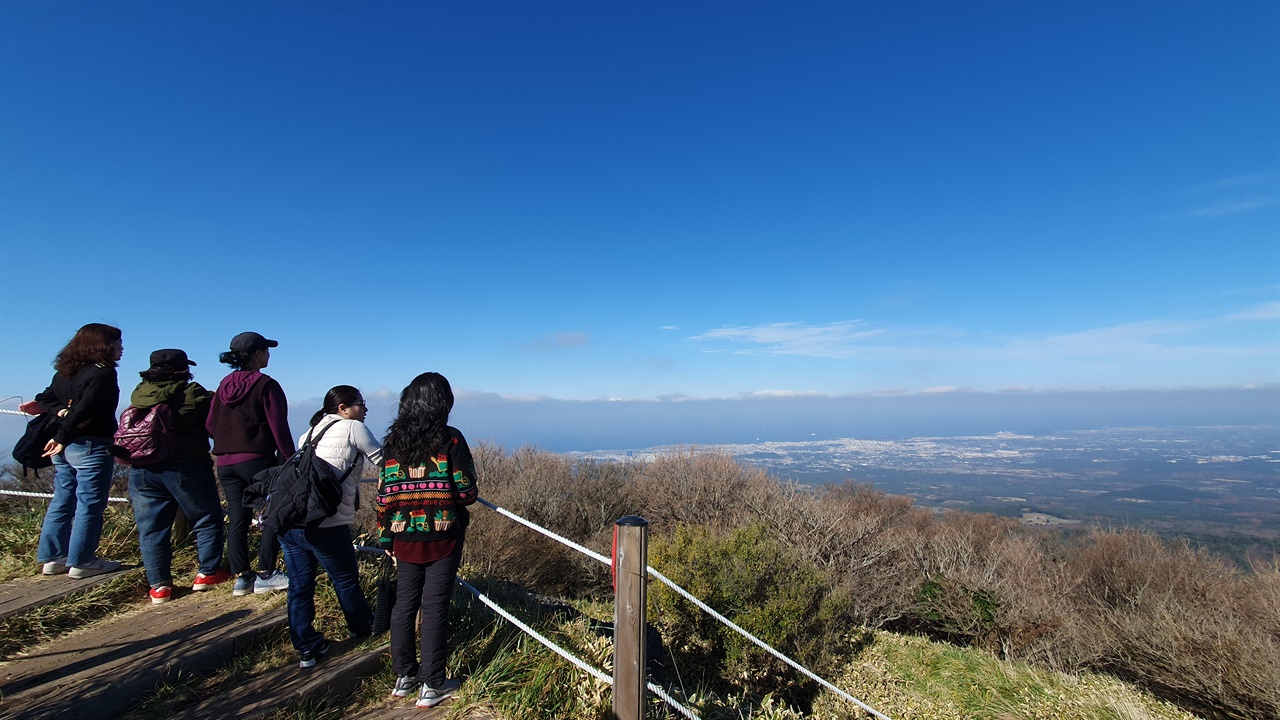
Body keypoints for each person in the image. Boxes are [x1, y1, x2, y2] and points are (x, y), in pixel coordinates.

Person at [377, 372, 478, 708]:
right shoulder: (450, 440)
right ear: (443, 403)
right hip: (443, 534)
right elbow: (466, 492)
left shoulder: (393, 443)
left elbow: (384, 495)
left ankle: (404, 676)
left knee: (404, 604)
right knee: (434, 607)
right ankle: (433, 684)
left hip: (403, 536)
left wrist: (385, 536)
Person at [277, 385, 380, 668]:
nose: (365, 409)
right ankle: (362, 627)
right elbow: (386, 463)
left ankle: (307, 648)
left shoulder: (307, 434)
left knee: (299, 585)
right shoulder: (352, 428)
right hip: (326, 523)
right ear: (343, 409)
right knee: (345, 578)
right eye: (360, 403)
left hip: (291, 522)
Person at [125, 349, 231, 603]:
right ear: (183, 369)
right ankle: (208, 572)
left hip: (141, 468)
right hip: (185, 465)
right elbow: (215, 416)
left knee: (151, 528)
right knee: (206, 516)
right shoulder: (192, 393)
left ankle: (159, 586)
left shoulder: (139, 393)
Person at [206, 331, 295, 596]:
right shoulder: (266, 385)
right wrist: (290, 459)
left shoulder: (223, 385)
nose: (268, 355)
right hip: (257, 460)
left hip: (224, 462)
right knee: (272, 512)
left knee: (237, 517)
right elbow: (278, 426)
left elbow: (210, 424)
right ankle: (266, 573)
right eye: (266, 350)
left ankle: (242, 577)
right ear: (257, 354)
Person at [34, 323, 124, 579]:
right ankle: (83, 561)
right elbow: (86, 409)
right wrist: (64, 433)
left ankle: (53, 557)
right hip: (89, 444)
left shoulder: (65, 371)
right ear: (103, 345)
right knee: (90, 504)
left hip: (61, 445)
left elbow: (45, 397)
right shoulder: (103, 373)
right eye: (117, 343)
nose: (121, 348)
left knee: (63, 500)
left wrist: (60, 415)